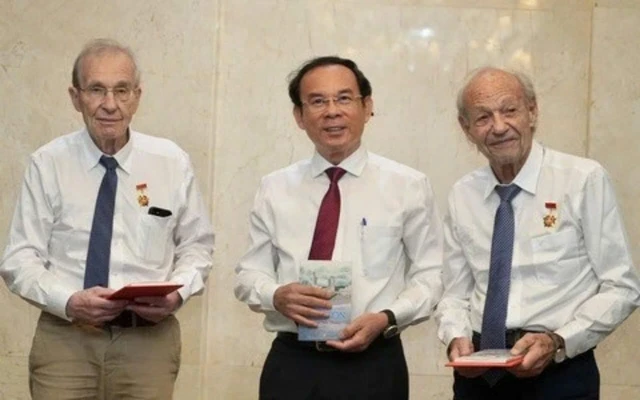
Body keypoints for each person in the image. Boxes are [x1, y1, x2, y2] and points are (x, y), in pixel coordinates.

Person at [0, 38, 214, 399]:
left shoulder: (170, 162)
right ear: (75, 97)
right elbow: (19, 259)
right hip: (65, 341)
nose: (110, 104)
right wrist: (68, 301)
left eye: (122, 90)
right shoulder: (47, 163)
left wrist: (178, 292)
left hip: (149, 344)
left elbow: (197, 246)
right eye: (96, 90)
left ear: (137, 95)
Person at [234, 56, 443, 400]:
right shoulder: (274, 188)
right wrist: (276, 295)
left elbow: (432, 276)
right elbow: (247, 275)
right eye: (317, 101)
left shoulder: (407, 186)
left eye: (344, 98)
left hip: (374, 363)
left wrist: (387, 317)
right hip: (292, 364)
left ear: (367, 107)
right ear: (299, 117)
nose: (332, 111)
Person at [435, 66, 640, 399]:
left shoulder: (582, 179)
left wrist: (557, 341)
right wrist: (455, 337)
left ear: (532, 111)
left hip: (560, 372)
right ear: (466, 128)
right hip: (479, 376)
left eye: (510, 110)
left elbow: (622, 286)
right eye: (484, 117)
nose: (499, 127)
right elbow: (455, 293)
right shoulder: (463, 194)